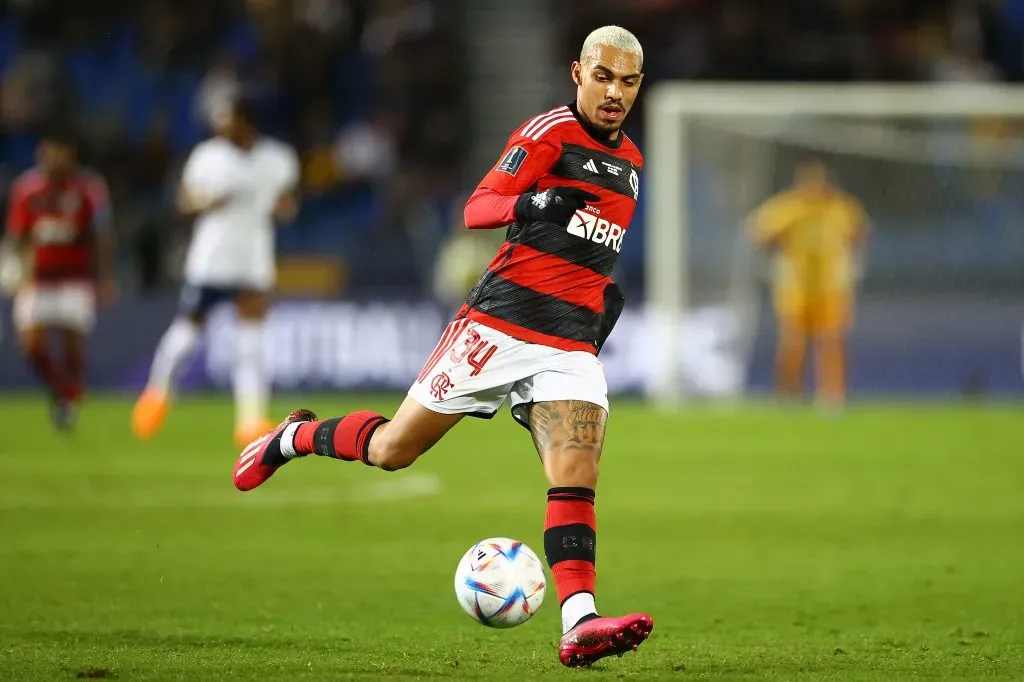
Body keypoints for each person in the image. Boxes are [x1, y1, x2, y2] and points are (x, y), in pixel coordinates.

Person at [233, 26, 652, 667]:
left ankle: (580, 622)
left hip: (568, 344)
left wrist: (597, 299)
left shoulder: (633, 162)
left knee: (577, 471)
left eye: (627, 81)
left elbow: (587, 247)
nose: (614, 92)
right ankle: (293, 436)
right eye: (603, 77)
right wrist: (536, 199)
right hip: (498, 326)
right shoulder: (546, 134)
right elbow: (478, 208)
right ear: (577, 73)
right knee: (394, 449)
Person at [131, 98, 299, 446]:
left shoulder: (277, 159)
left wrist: (283, 208)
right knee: (188, 332)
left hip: (252, 258)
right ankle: (156, 394)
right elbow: (183, 201)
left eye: (229, 118)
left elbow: (288, 203)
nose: (221, 124)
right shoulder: (207, 156)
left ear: (247, 122)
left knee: (250, 343)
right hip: (211, 258)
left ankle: (250, 421)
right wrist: (205, 202)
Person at [1, 128, 115, 429]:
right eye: (48, 152)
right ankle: (63, 391)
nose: (53, 159)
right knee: (31, 344)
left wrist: (104, 277)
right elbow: (18, 235)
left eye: (60, 152)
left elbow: (101, 236)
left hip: (75, 278)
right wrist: (16, 271)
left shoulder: (89, 188)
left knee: (72, 344)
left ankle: (67, 398)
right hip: (38, 278)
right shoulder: (26, 188)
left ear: (71, 155)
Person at [747, 159, 870, 408]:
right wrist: (774, 253)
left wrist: (853, 263)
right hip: (796, 285)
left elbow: (862, 233)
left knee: (832, 341)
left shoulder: (841, 208)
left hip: (831, 285)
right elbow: (758, 231)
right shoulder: (788, 207)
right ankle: (790, 395)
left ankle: (832, 396)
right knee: (793, 343)